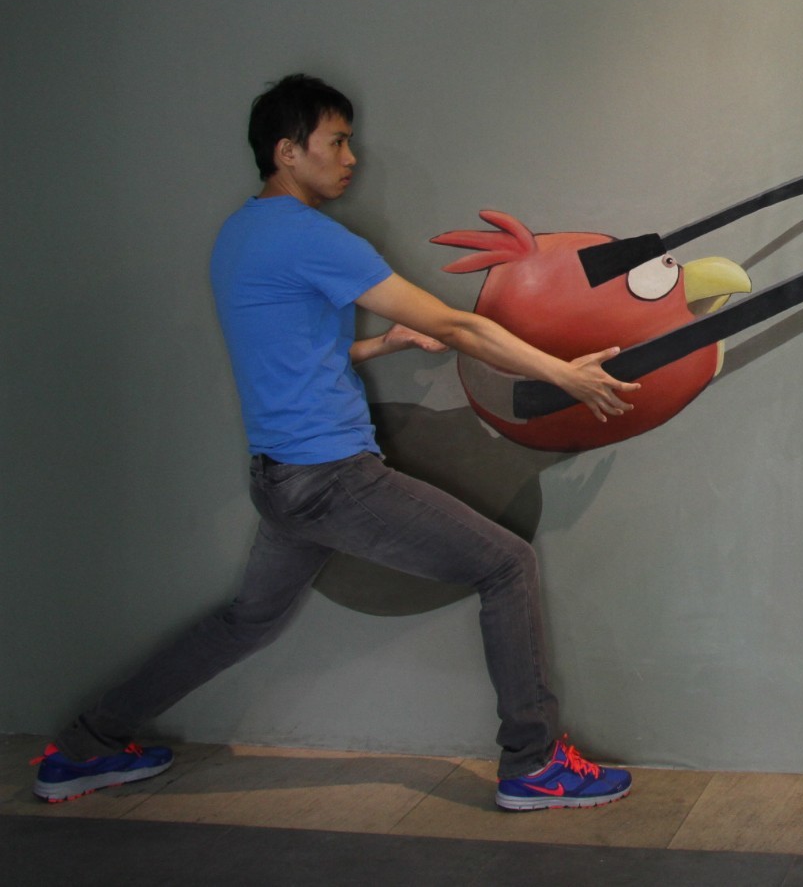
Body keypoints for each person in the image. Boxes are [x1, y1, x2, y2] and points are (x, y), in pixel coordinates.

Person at [34, 74, 640, 810]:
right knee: (506, 564)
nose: (351, 157)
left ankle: (85, 746)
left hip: (280, 478)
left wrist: (382, 345)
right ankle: (533, 765)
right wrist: (563, 374)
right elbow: (458, 325)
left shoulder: (240, 234)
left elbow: (286, 354)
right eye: (337, 141)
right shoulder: (311, 237)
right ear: (287, 151)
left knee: (247, 619)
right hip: (331, 479)